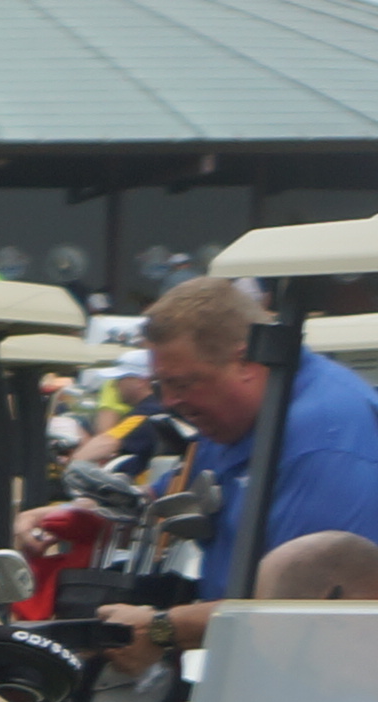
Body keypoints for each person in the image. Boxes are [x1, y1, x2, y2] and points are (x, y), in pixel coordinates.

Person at [92, 272, 378, 670]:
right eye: (160, 386)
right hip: (247, 667)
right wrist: (84, 516)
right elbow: (174, 493)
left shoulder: (326, 441)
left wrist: (161, 629)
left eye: (182, 384)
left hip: (317, 683)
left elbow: (299, 610)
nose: (169, 401)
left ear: (246, 361)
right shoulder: (234, 420)